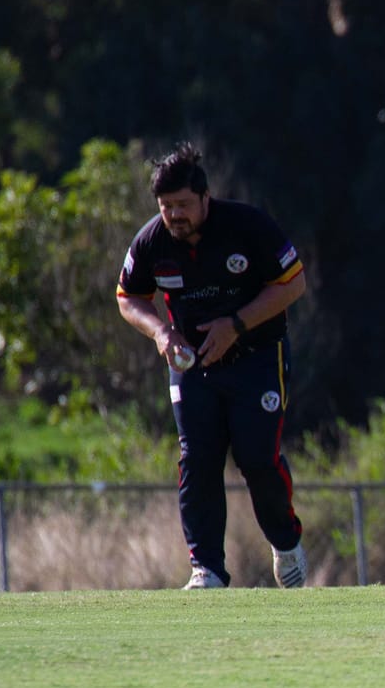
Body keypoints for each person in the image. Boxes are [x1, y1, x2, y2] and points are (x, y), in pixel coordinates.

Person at [115, 143, 310, 589]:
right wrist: (161, 333)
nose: (175, 215)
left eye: (183, 205)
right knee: (197, 461)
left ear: (205, 198)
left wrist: (236, 325)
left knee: (257, 460)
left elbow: (293, 283)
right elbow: (128, 298)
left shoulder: (248, 225)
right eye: (166, 207)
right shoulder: (152, 241)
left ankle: (285, 543)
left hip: (257, 357)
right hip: (192, 367)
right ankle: (207, 569)